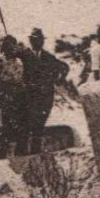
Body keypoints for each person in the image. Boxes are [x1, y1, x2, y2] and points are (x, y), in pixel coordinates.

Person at [19, 27, 67, 155]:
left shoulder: (49, 57)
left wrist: (58, 79)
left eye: (39, 39)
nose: (37, 42)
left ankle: (35, 153)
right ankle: (23, 154)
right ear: (30, 41)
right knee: (26, 126)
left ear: (42, 41)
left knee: (38, 127)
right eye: (34, 39)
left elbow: (64, 67)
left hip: (45, 98)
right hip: (29, 97)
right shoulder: (24, 55)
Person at [0, 35, 26, 159]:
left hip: (17, 98)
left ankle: (15, 152)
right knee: (1, 126)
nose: (12, 49)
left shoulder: (19, 63)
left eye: (13, 46)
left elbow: (21, 81)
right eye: (9, 46)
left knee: (17, 126)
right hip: (3, 97)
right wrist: (0, 93)